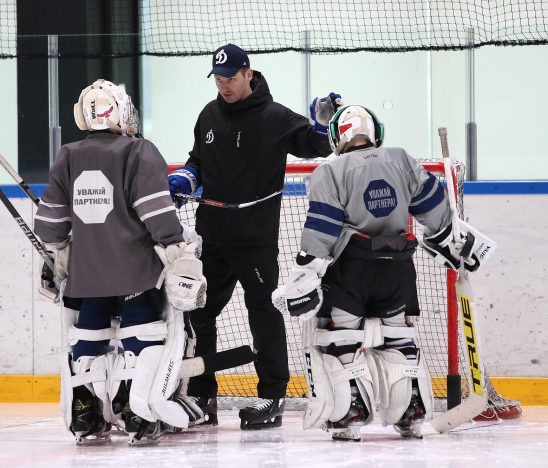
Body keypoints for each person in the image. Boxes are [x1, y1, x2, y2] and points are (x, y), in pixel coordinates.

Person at [272, 105, 495, 440]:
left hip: (351, 273)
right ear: (375, 131)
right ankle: (411, 412)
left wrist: (305, 273)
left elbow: (322, 230)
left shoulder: (329, 172)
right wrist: (450, 240)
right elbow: (435, 213)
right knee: (399, 339)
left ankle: (350, 415)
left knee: (340, 340)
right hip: (398, 270)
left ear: (336, 137)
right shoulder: (401, 159)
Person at [167, 43, 341, 430]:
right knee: (198, 314)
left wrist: (325, 124)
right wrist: (186, 176)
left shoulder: (275, 117)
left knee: (263, 314)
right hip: (212, 235)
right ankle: (202, 396)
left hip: (256, 239)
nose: (224, 85)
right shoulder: (208, 114)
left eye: (230, 78)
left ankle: (271, 396)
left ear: (248, 73)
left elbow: (318, 147)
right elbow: (199, 159)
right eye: (218, 79)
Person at [33, 79, 207, 446]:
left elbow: (48, 226)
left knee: (89, 335)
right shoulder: (138, 151)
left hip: (87, 276)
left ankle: (85, 412)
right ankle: (135, 410)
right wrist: (177, 249)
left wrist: (61, 253)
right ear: (120, 111)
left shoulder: (67, 155)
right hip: (135, 273)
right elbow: (158, 215)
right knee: (141, 336)